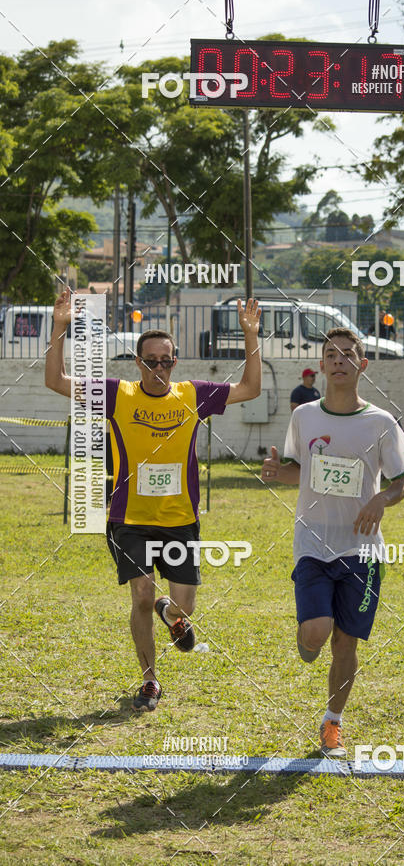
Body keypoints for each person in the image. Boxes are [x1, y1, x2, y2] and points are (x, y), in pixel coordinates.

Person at [45, 288, 261, 713]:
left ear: (174, 362)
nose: (159, 368)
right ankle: (149, 680)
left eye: (166, 360)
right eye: (151, 361)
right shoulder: (117, 394)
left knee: (184, 607)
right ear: (138, 362)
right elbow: (55, 381)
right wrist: (59, 327)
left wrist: (250, 335)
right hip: (130, 518)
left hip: (181, 519)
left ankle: (171, 609)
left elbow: (251, 388)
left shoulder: (193, 394)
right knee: (141, 594)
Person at [262, 328, 404, 757]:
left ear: (362, 365)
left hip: (362, 548)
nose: (339, 360)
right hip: (312, 541)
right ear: (323, 364)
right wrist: (276, 472)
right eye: (331, 354)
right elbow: (296, 470)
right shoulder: (305, 417)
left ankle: (333, 722)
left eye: (348, 354)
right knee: (317, 633)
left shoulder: (382, 423)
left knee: (345, 642)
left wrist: (381, 499)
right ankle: (308, 637)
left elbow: (403, 483)